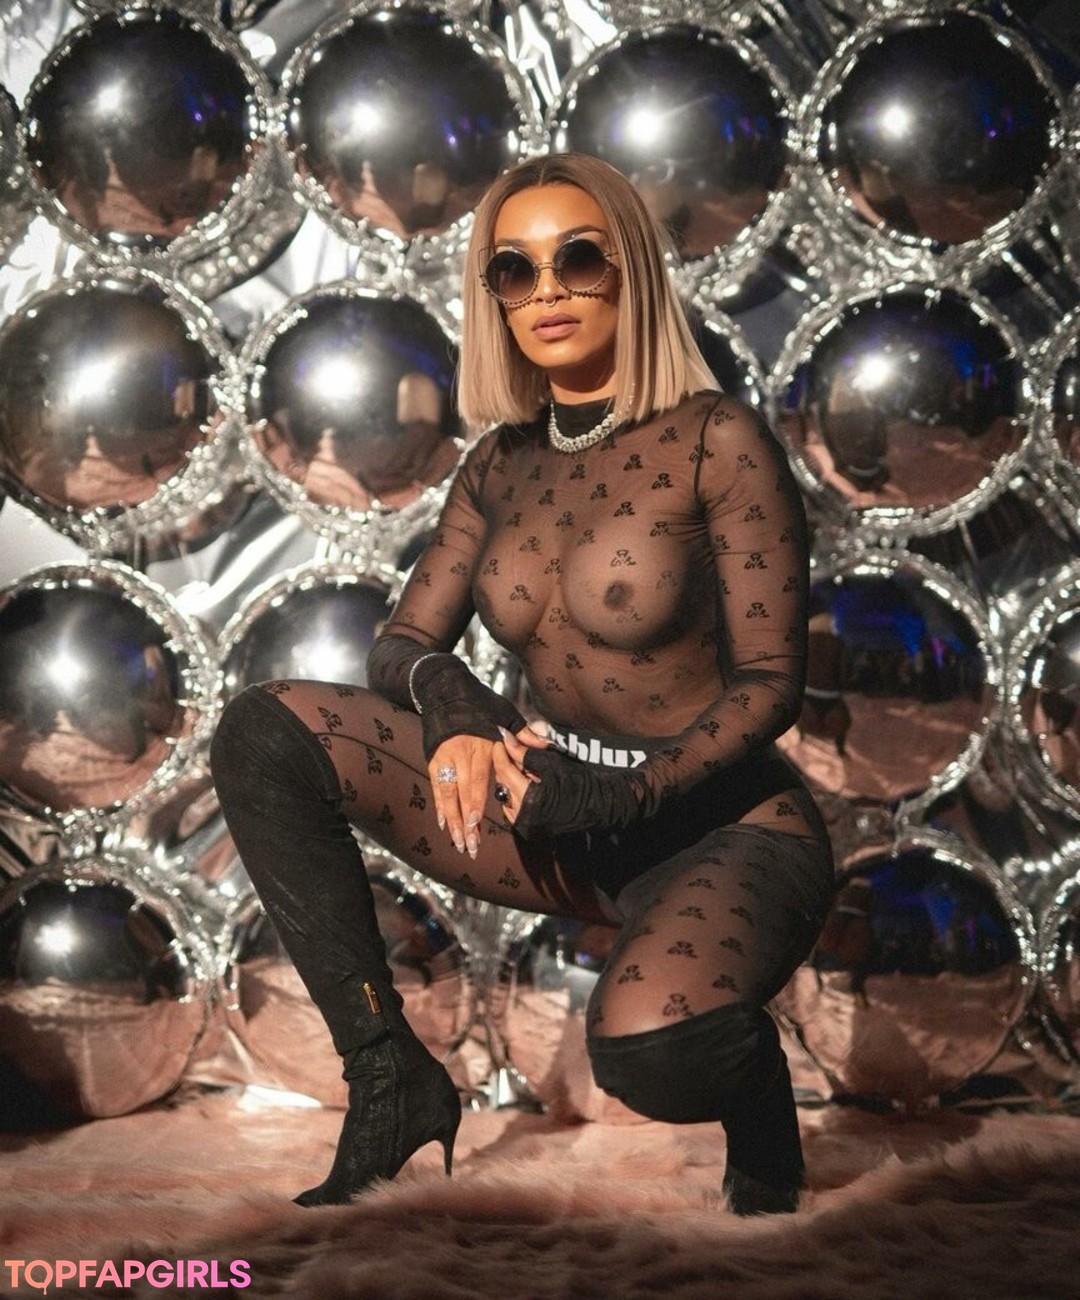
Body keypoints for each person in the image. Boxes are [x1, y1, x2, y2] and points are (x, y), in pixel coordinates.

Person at [209, 152, 835, 1215]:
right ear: (494, 295)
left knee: (651, 1053)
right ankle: (389, 1079)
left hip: (725, 826)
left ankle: (761, 1117)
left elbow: (773, 683)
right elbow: (404, 642)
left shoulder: (715, 439)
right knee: (265, 734)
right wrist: (458, 710)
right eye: (515, 269)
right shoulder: (499, 464)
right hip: (555, 813)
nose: (546, 290)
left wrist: (626, 793)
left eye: (577, 259)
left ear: (630, 274)